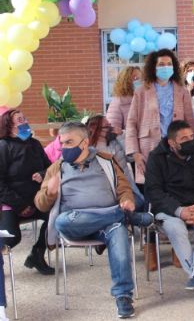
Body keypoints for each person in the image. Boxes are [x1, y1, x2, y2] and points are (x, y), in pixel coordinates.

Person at [35, 122, 137, 318]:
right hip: (76, 224)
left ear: (85, 143)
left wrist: (126, 200)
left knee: (119, 233)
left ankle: (123, 296)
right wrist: (50, 191)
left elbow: (124, 189)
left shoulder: (106, 161)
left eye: (69, 142)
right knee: (62, 221)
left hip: (107, 225)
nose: (64, 147)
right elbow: (40, 204)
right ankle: (122, 215)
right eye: (62, 143)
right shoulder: (57, 168)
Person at [145, 120, 194, 289]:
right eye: (184, 139)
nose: (190, 141)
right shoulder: (156, 158)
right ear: (172, 143)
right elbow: (154, 191)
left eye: (191, 137)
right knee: (176, 228)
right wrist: (180, 211)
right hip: (169, 210)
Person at [126, 49, 194, 185]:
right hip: (149, 148)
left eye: (169, 64)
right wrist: (135, 153)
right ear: (153, 67)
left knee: (177, 186)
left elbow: (190, 122)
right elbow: (131, 122)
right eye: (161, 64)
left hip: (177, 147)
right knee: (153, 189)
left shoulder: (182, 91)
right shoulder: (141, 91)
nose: (166, 67)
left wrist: (192, 147)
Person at [0, 109, 54, 275]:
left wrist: (43, 174)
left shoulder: (35, 144)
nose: (25, 122)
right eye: (20, 120)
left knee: (56, 219)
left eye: (25, 118)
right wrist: (20, 205)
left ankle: (37, 254)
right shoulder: (3, 146)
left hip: (36, 199)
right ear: (9, 126)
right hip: (12, 203)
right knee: (12, 237)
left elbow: (51, 168)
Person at [86, 115, 145, 212]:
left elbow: (130, 158)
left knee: (140, 203)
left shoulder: (115, 142)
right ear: (96, 129)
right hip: (107, 191)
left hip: (127, 187)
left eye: (110, 125)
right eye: (107, 126)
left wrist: (121, 136)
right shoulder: (91, 150)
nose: (110, 128)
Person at [106, 66, 142, 137]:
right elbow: (113, 131)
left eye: (141, 78)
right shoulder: (118, 102)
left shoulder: (146, 100)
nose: (139, 81)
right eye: (135, 78)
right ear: (125, 81)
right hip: (128, 146)